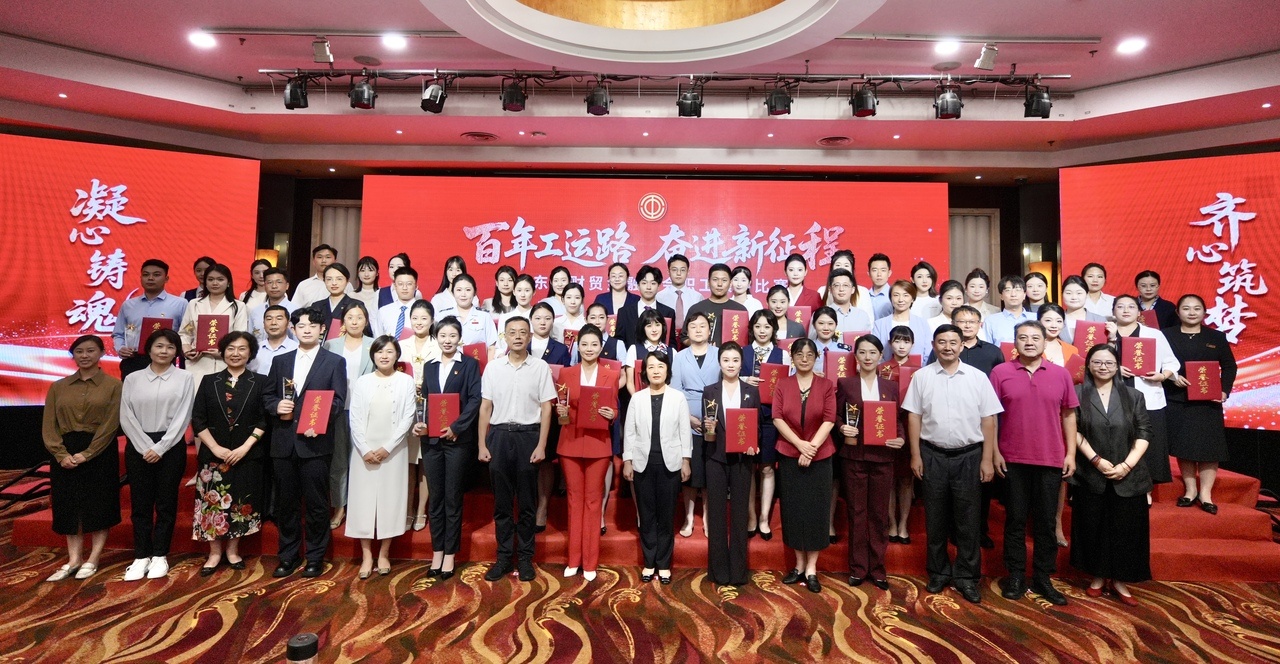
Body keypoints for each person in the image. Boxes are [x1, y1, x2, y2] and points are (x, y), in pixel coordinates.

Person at [903, 324, 1001, 604]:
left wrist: (987, 459)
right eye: (942, 342)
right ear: (934, 345)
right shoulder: (922, 377)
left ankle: (967, 577)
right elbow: (914, 417)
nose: (947, 347)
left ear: (961, 346)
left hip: (969, 456)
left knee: (968, 520)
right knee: (935, 518)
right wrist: (915, 455)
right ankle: (938, 572)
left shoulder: (977, 378)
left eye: (953, 342)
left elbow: (988, 420)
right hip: (932, 454)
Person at [990, 321, 1079, 606]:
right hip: (1012, 458)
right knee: (1015, 520)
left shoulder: (1060, 374)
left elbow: (1069, 415)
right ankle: (1015, 575)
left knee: (1046, 522)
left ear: (1045, 341)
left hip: (1050, 458)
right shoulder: (1000, 372)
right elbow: (990, 416)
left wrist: (1070, 454)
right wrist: (994, 451)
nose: (1029, 342)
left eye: (1035, 338)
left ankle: (1043, 577)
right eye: (1023, 337)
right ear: (1015, 342)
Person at [263, 306, 348, 579]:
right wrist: (276, 406)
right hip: (284, 442)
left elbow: (338, 401)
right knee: (286, 503)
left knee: (316, 504)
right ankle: (288, 556)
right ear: (293, 329)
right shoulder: (281, 361)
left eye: (313, 325)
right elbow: (267, 396)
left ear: (322, 330)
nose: (307, 330)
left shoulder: (334, 361)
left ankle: (315, 557)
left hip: (315, 443)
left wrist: (318, 421)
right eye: (301, 325)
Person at [1070, 343, 1153, 605]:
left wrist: (1126, 465)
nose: (1103, 367)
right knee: (1093, 526)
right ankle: (1097, 576)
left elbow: (1144, 432)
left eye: (1109, 362)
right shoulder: (1077, 393)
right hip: (1091, 473)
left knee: (1126, 529)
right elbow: (1073, 430)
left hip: (1129, 474)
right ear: (1088, 365)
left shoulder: (1133, 396)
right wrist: (1096, 461)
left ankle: (1120, 580)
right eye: (1097, 362)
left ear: (1117, 367)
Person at [479, 317, 557, 583]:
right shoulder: (493, 368)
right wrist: (482, 443)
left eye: (523, 332)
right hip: (499, 436)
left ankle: (525, 558)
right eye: (512, 332)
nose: (518, 337)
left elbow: (547, 408)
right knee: (502, 504)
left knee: (526, 504)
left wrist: (542, 445)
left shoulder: (540, 367)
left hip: (528, 437)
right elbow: (485, 408)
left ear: (529, 336)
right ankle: (502, 558)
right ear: (505, 336)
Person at [41, 335, 122, 582]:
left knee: (99, 503)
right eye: (79, 351)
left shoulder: (114, 385)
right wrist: (60, 454)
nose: (84, 355)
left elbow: (111, 424)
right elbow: (49, 425)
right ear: (73, 355)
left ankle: (93, 558)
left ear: (101, 353)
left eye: (90, 351)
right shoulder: (58, 386)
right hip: (65, 451)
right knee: (68, 505)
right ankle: (74, 559)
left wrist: (88, 453)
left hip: (99, 450)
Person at [119, 328, 194, 581]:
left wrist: (161, 447)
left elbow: (183, 416)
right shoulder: (133, 378)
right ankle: (141, 556)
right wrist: (144, 446)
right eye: (159, 346)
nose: (164, 351)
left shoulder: (185, 378)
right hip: (138, 445)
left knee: (166, 503)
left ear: (176, 352)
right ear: (149, 349)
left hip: (170, 447)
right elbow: (126, 415)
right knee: (140, 503)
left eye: (170, 347)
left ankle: (160, 555)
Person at [191, 331, 266, 576]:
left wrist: (245, 447)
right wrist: (215, 448)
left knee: (240, 503)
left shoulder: (260, 382)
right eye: (231, 349)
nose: (236, 353)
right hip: (214, 454)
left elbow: (264, 420)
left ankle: (233, 551)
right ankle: (214, 553)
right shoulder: (209, 380)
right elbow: (198, 418)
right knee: (212, 503)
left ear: (250, 353)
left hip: (246, 455)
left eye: (242, 349)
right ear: (223, 352)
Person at [837, 335, 906, 589]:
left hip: (883, 457)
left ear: (880, 356)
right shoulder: (845, 384)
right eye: (863, 352)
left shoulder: (890, 387)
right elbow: (836, 415)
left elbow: (896, 419)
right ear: (855, 357)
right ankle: (857, 568)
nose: (867, 357)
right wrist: (842, 427)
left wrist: (901, 437)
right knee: (857, 512)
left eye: (873, 352)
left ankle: (878, 569)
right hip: (854, 456)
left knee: (879, 514)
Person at [345, 335, 417, 579]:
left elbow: (408, 417)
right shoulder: (363, 382)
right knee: (362, 501)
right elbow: (355, 418)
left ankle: (384, 553)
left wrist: (388, 447)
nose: (384, 356)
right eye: (379, 352)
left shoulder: (406, 381)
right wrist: (364, 448)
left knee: (390, 500)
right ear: (373, 355)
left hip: (394, 451)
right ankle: (367, 555)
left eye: (389, 351)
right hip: (363, 451)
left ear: (397, 355)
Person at [418, 316, 483, 581]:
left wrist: (456, 427)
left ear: (460, 338)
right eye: (443, 336)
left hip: (457, 441)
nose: (447, 340)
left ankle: (450, 554)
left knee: (452, 498)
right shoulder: (429, 366)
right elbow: (424, 400)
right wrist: (421, 423)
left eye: (452, 336)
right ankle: (437, 550)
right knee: (436, 498)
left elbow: (475, 400)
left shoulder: (469, 364)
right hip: (432, 441)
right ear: (436, 338)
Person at [556, 325, 623, 581]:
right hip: (570, 442)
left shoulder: (611, 375)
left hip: (598, 444)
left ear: (601, 347)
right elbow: (560, 405)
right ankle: (574, 559)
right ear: (578, 346)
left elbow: (614, 409)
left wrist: (611, 414)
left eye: (594, 344)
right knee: (574, 501)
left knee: (594, 502)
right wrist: (560, 411)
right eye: (584, 344)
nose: (589, 349)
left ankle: (590, 562)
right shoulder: (566, 373)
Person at [772, 338, 837, 593]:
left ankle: (812, 568)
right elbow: (777, 417)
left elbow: (829, 419)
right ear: (792, 357)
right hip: (790, 453)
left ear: (816, 357)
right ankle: (798, 565)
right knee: (794, 509)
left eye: (810, 354)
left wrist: (811, 448)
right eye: (799, 354)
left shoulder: (826, 385)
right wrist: (800, 445)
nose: (805, 358)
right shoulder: (783, 384)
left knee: (816, 511)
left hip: (820, 456)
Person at [1165, 294, 1238, 514]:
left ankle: (1206, 494)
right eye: (1186, 308)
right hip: (1178, 399)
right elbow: (1159, 363)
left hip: (1208, 401)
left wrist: (1224, 391)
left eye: (1197, 308)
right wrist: (1172, 377)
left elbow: (1229, 366)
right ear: (1177, 312)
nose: (1191, 312)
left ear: (1204, 312)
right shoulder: (1166, 335)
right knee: (1184, 446)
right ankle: (1190, 490)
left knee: (1210, 448)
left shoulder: (1216, 336)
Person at [623, 351, 692, 583]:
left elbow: (684, 431)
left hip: (670, 464)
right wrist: (628, 460)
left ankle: (663, 564)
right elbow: (629, 432)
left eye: (660, 366)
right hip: (642, 463)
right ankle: (648, 562)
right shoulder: (637, 398)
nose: (655, 371)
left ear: (667, 370)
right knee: (646, 515)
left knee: (666, 515)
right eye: (651, 367)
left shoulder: (677, 398)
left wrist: (685, 460)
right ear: (644, 372)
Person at [702, 342, 760, 586]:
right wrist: (707, 427)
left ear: (741, 363)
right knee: (716, 514)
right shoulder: (710, 390)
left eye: (735, 360)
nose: (730, 365)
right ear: (719, 362)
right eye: (726, 360)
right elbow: (708, 425)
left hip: (742, 459)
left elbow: (755, 425)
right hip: (715, 457)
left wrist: (753, 444)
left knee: (739, 514)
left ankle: (738, 571)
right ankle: (718, 571)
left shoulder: (751, 391)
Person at [1108, 295, 1179, 490]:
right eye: (1120, 306)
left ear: (1139, 312)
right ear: (1113, 311)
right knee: (1118, 439)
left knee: (1147, 440)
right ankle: (1118, 482)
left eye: (1131, 306)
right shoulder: (1107, 332)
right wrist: (1115, 368)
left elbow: (1171, 362)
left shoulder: (1153, 334)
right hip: (1114, 393)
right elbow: (1091, 360)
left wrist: (1162, 376)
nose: (1125, 310)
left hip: (1148, 392)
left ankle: (1145, 487)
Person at [324, 304, 375, 530]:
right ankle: (339, 506)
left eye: (359, 317)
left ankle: (360, 506)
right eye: (350, 317)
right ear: (342, 321)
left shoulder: (375, 345)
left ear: (366, 321)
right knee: (339, 461)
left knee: (362, 460)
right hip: (337, 410)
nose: (354, 321)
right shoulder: (330, 345)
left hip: (365, 411)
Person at [672, 312, 721, 537]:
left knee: (711, 472)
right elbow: (675, 389)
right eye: (693, 326)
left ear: (710, 330)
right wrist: (689, 419)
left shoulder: (719, 354)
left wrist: (714, 419)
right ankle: (689, 517)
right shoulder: (679, 357)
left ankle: (709, 518)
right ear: (687, 332)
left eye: (703, 326)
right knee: (690, 473)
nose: (698, 330)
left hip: (715, 418)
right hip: (687, 416)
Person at [742, 310, 789, 541]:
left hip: (771, 417)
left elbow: (789, 385)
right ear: (752, 329)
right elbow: (727, 376)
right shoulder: (742, 352)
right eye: (758, 326)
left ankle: (763, 518)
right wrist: (743, 380)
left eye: (767, 327)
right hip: (747, 415)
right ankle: (751, 517)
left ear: (774, 329)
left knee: (768, 467)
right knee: (749, 467)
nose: (762, 331)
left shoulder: (783, 355)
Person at [1039, 302, 1080, 546]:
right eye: (1048, 320)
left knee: (1059, 473)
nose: (1053, 325)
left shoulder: (1072, 349)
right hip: (1037, 414)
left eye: (1058, 321)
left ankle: (1056, 524)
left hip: (1063, 414)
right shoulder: (1028, 346)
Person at [528, 302, 571, 533]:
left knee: (545, 461)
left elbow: (565, 382)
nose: (542, 322)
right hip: (524, 410)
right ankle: (527, 506)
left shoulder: (561, 349)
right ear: (531, 320)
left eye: (547, 318)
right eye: (538, 318)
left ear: (553, 321)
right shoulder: (521, 344)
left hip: (550, 410)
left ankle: (542, 509)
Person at [400, 299, 441, 530]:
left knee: (425, 461)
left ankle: (421, 511)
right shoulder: (401, 345)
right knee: (408, 462)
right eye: (415, 318)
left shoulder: (439, 344)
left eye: (424, 318)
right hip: (406, 408)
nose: (419, 322)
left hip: (430, 408)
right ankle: (407, 510)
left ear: (432, 320)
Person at [112, 258, 188, 379]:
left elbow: (186, 332)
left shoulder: (180, 304)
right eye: (146, 275)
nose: (150, 278)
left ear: (166, 278)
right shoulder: (128, 305)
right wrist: (121, 348)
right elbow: (118, 333)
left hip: (164, 360)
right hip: (133, 360)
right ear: (140, 278)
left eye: (156, 275)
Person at [179, 263, 249, 390]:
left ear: (228, 282)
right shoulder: (194, 304)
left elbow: (240, 336)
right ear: (205, 282)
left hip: (226, 363)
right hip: (198, 362)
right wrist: (187, 350)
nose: (215, 283)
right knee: (197, 398)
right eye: (210, 279)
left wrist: (224, 352)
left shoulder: (238, 306)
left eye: (220, 279)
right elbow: (185, 332)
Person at [877, 326, 917, 544]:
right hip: (886, 425)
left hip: (911, 425)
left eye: (906, 341)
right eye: (897, 341)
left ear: (912, 344)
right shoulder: (881, 368)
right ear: (890, 344)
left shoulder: (919, 369)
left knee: (906, 479)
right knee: (890, 478)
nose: (902, 346)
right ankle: (892, 523)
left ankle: (904, 525)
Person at [616, 265, 677, 350]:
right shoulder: (624, 312)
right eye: (644, 283)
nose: (648, 287)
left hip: (660, 357)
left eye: (653, 283)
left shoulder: (668, 312)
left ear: (658, 286)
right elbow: (619, 342)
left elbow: (671, 342)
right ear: (638, 286)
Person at [685, 263, 747, 346]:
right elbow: (684, 337)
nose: (719, 284)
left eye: (724, 280)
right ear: (708, 282)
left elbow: (745, 340)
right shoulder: (696, 308)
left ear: (730, 283)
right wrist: (702, 345)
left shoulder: (740, 310)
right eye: (715, 280)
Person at [312, 264, 375, 339]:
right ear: (324, 281)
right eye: (329, 279)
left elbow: (367, 333)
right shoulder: (317, 306)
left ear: (347, 281)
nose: (334, 283)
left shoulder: (356, 305)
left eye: (339, 279)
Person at [871, 280, 931, 357]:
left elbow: (928, 353)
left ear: (912, 299)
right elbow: (875, 352)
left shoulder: (922, 323)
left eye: (905, 295)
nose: (900, 300)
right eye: (896, 295)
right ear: (890, 298)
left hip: (919, 365)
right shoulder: (879, 325)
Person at [442, 274, 498, 348]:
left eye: (468, 290)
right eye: (459, 290)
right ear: (453, 292)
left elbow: (492, 346)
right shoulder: (443, 316)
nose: (463, 294)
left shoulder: (484, 316)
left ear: (475, 292)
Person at [657, 254, 704, 340]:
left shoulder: (697, 297)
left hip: (691, 339)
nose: (678, 273)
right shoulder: (659, 297)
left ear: (688, 272)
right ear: (668, 272)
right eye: (674, 270)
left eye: (682, 270)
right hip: (666, 339)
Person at [982, 275, 1036, 345]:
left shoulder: (1036, 318)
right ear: (1001, 296)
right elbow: (986, 348)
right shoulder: (990, 321)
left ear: (1024, 295)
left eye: (1018, 290)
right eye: (1008, 290)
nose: (1013, 294)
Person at [248, 268, 297, 343]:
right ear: (265, 285)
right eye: (270, 282)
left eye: (279, 282)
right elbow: (250, 340)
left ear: (287, 286)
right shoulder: (256, 311)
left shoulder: (296, 311)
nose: (274, 286)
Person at [376, 266, 421, 339]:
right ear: (394, 286)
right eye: (400, 284)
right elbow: (378, 339)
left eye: (409, 284)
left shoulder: (424, 312)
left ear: (416, 286)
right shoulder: (383, 311)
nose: (404, 288)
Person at [823, 269, 874, 335]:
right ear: (830, 289)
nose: (841, 289)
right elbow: (812, 340)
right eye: (837, 285)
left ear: (853, 289)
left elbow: (868, 340)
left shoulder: (862, 316)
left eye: (845, 285)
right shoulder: (821, 315)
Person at [252, 305, 299, 374]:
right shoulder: (254, 349)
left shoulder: (296, 349)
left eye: (279, 319)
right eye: (269, 319)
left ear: (288, 323)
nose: (273, 323)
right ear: (263, 324)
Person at [810, 306, 850, 377]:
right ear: (814, 325)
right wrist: (808, 374)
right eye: (821, 323)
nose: (826, 328)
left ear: (836, 325)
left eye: (830, 324)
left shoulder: (844, 351)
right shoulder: (807, 349)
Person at [495, 274, 537, 339]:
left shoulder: (538, 318)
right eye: (519, 290)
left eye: (527, 290)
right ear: (514, 292)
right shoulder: (504, 318)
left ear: (534, 292)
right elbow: (500, 342)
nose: (523, 295)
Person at [865, 254, 894, 320]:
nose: (879, 274)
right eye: (875, 270)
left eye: (883, 270)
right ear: (869, 273)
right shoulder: (864, 296)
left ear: (889, 273)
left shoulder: (894, 295)